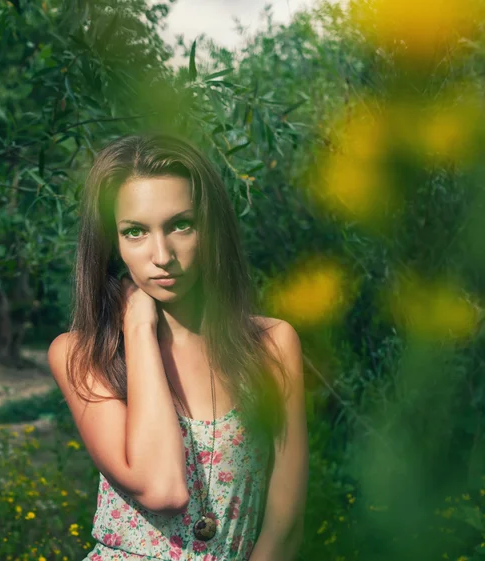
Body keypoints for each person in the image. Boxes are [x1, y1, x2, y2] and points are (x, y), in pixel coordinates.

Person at [48, 132, 309, 561]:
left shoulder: (271, 346)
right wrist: (137, 323)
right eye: (135, 232)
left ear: (211, 228)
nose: (162, 254)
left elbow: (285, 527)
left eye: (180, 224)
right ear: (112, 244)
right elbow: (161, 486)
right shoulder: (81, 354)